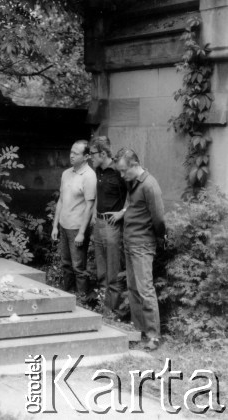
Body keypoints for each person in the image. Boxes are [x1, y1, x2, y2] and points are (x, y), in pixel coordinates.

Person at [116, 149, 165, 351]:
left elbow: (159, 218)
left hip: (143, 244)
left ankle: (154, 336)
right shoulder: (132, 183)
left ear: (135, 165)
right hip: (130, 241)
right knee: (133, 288)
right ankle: (140, 331)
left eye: (123, 170)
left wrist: (160, 237)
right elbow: (133, 206)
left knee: (145, 289)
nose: (121, 175)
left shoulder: (150, 185)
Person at [51, 140, 96, 299]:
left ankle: (82, 297)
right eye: (71, 152)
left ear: (86, 157)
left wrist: (82, 233)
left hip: (77, 227)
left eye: (76, 153)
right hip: (64, 224)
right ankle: (66, 294)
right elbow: (61, 201)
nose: (71, 156)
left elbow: (89, 207)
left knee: (78, 265)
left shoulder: (89, 176)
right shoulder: (66, 173)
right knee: (65, 263)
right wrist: (55, 226)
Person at [90, 136, 127, 315]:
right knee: (101, 270)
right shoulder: (98, 171)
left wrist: (123, 211)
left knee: (113, 271)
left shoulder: (120, 171)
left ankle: (114, 312)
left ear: (103, 153)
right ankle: (103, 309)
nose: (91, 157)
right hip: (99, 223)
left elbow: (137, 194)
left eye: (93, 154)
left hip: (113, 226)